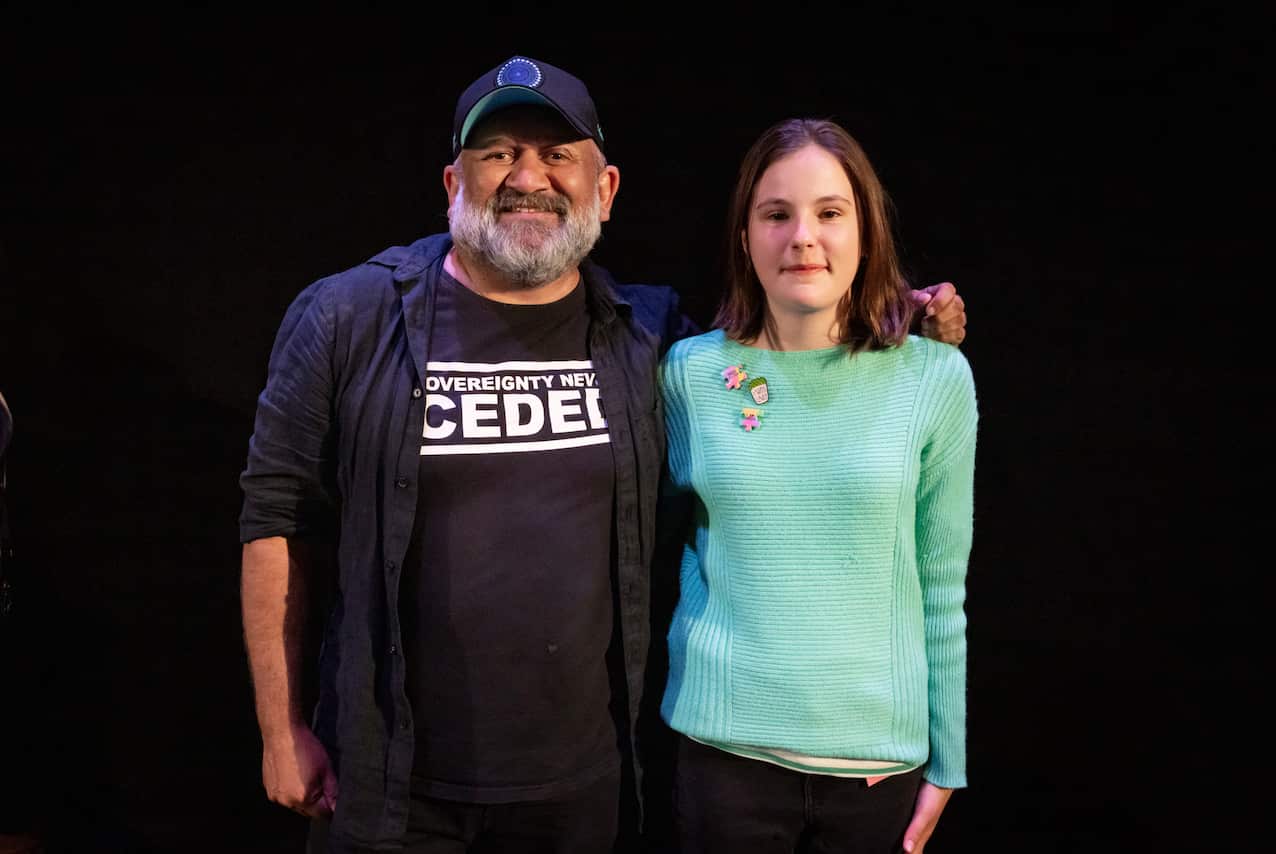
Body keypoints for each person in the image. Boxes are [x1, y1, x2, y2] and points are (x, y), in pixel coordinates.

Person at [238, 56, 968, 854]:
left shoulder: (650, 336)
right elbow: (279, 519)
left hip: (582, 791)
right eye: (497, 153)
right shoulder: (347, 318)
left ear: (606, 189)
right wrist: (282, 729)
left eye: (557, 155)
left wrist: (893, 314)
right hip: (390, 785)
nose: (528, 177)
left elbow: (784, 356)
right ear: (453, 182)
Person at [656, 117, 979, 853]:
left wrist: (949, 762)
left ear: (865, 232)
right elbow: (652, 543)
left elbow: (941, 584)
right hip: (724, 759)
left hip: (876, 769)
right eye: (777, 214)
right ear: (745, 235)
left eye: (830, 213)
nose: (803, 235)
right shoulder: (690, 375)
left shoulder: (933, 377)